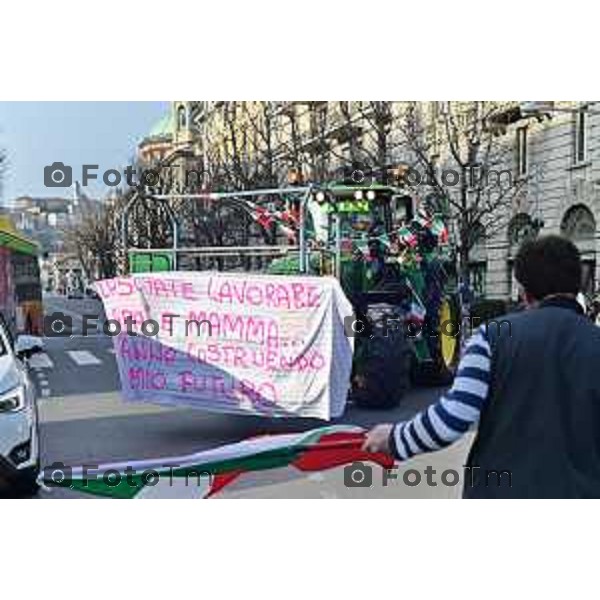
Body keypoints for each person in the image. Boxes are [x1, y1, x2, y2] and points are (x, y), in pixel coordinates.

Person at [363, 235, 600, 498]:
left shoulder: (491, 336)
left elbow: (452, 419)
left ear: (523, 289)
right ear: (578, 282)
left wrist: (394, 438)